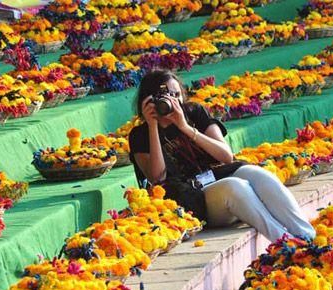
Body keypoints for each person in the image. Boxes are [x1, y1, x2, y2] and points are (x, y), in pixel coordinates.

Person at [128, 70, 315, 242]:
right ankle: (286, 244)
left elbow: (226, 156)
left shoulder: (194, 112)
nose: (172, 102)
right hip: (192, 200)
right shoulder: (140, 135)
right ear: (148, 101)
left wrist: (185, 127)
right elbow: (158, 178)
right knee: (234, 186)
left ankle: (306, 236)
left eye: (176, 95)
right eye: (165, 96)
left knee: (258, 174)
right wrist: (152, 126)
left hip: (218, 177)